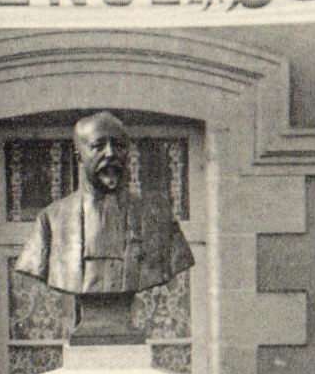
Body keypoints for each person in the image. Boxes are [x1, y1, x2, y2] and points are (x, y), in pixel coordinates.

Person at [13, 111, 193, 296]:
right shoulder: (50, 220)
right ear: (79, 156)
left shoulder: (159, 217)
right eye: (98, 146)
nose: (110, 153)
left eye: (119, 146)